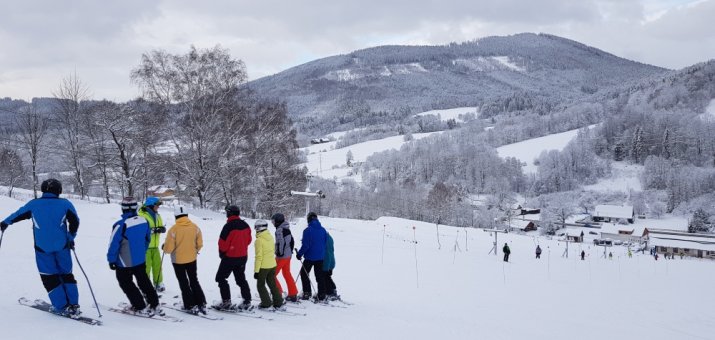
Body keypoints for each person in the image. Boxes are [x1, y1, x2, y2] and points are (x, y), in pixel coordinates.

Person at [1, 179, 81, 316]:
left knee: (50, 276)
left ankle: (61, 306)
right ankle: (73, 304)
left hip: (42, 248)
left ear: (43, 190)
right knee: (66, 274)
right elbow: (75, 221)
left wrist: (5, 223)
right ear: (59, 190)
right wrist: (71, 237)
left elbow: (18, 214)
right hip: (63, 246)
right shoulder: (65, 204)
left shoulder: (34, 204)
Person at [107, 197, 163, 316]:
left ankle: (139, 305)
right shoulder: (144, 221)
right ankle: (154, 303)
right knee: (144, 281)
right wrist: (142, 251)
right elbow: (147, 239)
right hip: (140, 259)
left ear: (123, 209)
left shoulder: (120, 225)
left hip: (124, 262)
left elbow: (113, 244)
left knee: (126, 283)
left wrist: (111, 260)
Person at [163, 206, 206, 314]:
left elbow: (168, 249)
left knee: (183, 282)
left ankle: (189, 304)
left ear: (176, 216)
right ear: (187, 215)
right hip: (192, 259)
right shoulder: (195, 227)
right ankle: (201, 301)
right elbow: (199, 244)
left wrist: (164, 247)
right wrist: (194, 251)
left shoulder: (173, 229)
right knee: (194, 280)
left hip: (178, 261)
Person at [214, 205, 252, 311]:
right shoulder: (245, 225)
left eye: (227, 212)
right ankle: (247, 300)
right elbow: (249, 240)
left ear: (230, 213)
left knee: (221, 278)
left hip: (230, 257)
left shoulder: (228, 226)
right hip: (242, 257)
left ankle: (226, 301)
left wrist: (222, 253)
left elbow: (222, 243)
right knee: (241, 279)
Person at [297, 212, 328, 301]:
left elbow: (306, 245)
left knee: (304, 274)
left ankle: (307, 293)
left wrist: (299, 254)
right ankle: (322, 294)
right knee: (319, 276)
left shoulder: (307, 230)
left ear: (309, 219)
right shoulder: (323, 230)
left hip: (310, 257)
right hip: (320, 257)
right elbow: (325, 243)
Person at [138, 196, 166, 292]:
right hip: (145, 246)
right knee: (146, 267)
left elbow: (159, 226)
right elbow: (140, 230)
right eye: (157, 205)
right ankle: (145, 285)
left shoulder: (157, 215)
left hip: (155, 246)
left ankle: (158, 283)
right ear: (150, 206)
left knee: (157, 266)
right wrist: (154, 230)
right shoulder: (142, 216)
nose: (158, 207)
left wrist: (162, 229)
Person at [253, 219, 283, 309]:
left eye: (256, 227)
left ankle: (266, 303)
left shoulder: (259, 240)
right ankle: (278, 301)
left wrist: (256, 271)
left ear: (259, 228)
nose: (255, 229)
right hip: (272, 264)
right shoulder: (270, 236)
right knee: (272, 284)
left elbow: (259, 257)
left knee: (260, 285)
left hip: (263, 266)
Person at [272, 213, 298, 302]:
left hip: (282, 256)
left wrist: (279, 254)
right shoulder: (286, 229)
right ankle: (293, 293)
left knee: (271, 274)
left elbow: (281, 243)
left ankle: (277, 293)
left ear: (278, 221)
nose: (273, 223)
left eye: (274, 221)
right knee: (286, 273)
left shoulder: (280, 230)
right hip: (288, 256)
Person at [323, 232, 339, 300]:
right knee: (327, 276)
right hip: (331, 261)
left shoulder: (324, 239)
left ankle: (330, 292)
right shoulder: (330, 238)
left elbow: (326, 253)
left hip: (327, 261)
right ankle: (333, 289)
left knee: (325, 277)